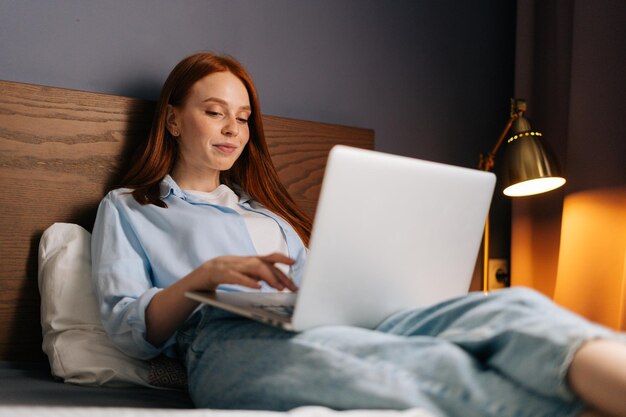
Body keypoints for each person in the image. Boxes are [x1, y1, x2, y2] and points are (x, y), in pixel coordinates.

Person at [91, 52, 626, 417]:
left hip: (322, 316)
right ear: (174, 119)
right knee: (414, 363)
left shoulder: (270, 216)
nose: (233, 129)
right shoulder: (132, 209)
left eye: (244, 117)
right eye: (214, 113)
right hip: (221, 343)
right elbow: (128, 330)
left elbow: (321, 290)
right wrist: (203, 278)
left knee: (507, 307)